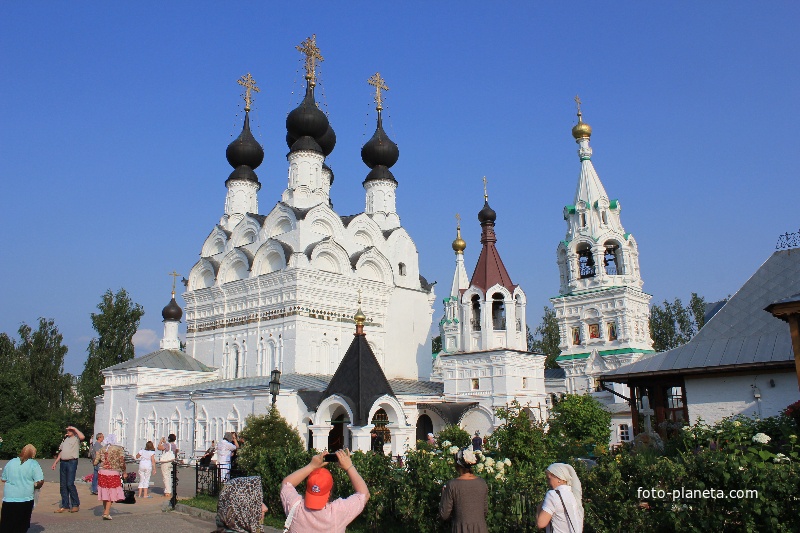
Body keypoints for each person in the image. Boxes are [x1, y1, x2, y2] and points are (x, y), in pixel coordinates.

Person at [280, 449, 369, 533]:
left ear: (307, 487)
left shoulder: (295, 507)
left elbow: (286, 484)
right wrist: (349, 466)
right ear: (330, 491)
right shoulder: (338, 512)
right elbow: (364, 494)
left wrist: (311, 466)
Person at [439, 447, 488, 533]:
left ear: (457, 466)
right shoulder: (482, 483)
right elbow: (485, 511)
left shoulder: (453, 485)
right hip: (480, 529)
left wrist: (444, 494)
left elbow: (444, 514)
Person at [1, 444, 44, 533]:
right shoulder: (33, 463)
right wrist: (36, 487)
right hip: (25, 498)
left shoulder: (11, 462)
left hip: (9, 498)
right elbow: (40, 481)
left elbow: (3, 479)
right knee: (21, 525)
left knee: (6, 525)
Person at [537, 463, 584, 533]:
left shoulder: (553, 495)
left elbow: (541, 524)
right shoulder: (573, 494)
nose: (548, 482)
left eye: (549, 478)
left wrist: (538, 508)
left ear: (559, 478)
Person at [51, 425, 85, 513]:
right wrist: (55, 462)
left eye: (70, 430)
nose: (68, 432)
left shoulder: (76, 438)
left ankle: (75, 504)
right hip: (63, 462)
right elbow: (61, 452)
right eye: (68, 430)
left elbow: (82, 437)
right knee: (63, 485)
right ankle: (65, 505)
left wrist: (74, 429)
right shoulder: (65, 439)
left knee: (70, 483)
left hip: (72, 462)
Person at [94, 434, 126, 520]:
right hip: (113, 472)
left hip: (102, 472)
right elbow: (122, 461)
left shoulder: (102, 449)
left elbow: (95, 462)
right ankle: (106, 512)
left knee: (104, 491)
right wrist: (124, 471)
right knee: (111, 492)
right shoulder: (118, 449)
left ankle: (105, 511)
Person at [158, 434, 178, 498]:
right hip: (171, 461)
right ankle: (169, 490)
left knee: (165, 476)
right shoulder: (174, 445)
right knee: (170, 476)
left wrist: (161, 441)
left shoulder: (166, 445)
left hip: (165, 462)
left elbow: (159, 447)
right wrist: (165, 442)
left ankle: (167, 491)